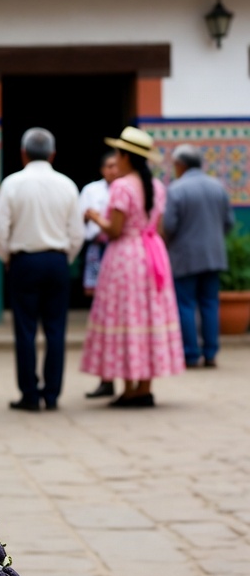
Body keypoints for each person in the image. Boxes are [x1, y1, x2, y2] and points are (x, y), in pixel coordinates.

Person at [80, 126, 185, 406]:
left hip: (125, 256)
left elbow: (114, 230)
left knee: (125, 316)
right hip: (152, 255)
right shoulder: (157, 187)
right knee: (149, 315)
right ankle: (145, 386)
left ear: (125, 156)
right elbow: (158, 228)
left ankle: (128, 387)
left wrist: (95, 218)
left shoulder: (122, 187)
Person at [0, 127, 83, 412]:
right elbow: (77, 233)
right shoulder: (67, 184)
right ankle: (52, 394)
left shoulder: (13, 183)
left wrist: (6, 256)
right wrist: (63, 258)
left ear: (23, 154)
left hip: (24, 262)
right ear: (53, 154)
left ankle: (29, 394)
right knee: (56, 330)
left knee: (25, 329)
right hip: (56, 261)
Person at [161, 143, 234, 368]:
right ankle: (211, 353)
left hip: (185, 257)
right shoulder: (218, 187)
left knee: (185, 305)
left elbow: (168, 226)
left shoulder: (176, 189)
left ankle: (190, 354)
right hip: (214, 256)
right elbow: (229, 223)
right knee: (210, 303)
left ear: (181, 165)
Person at [79, 152, 119, 398]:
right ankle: (107, 378)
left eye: (117, 164)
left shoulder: (130, 189)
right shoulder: (92, 190)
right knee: (101, 312)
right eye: (109, 166)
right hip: (97, 250)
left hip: (119, 251)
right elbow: (79, 219)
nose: (114, 170)